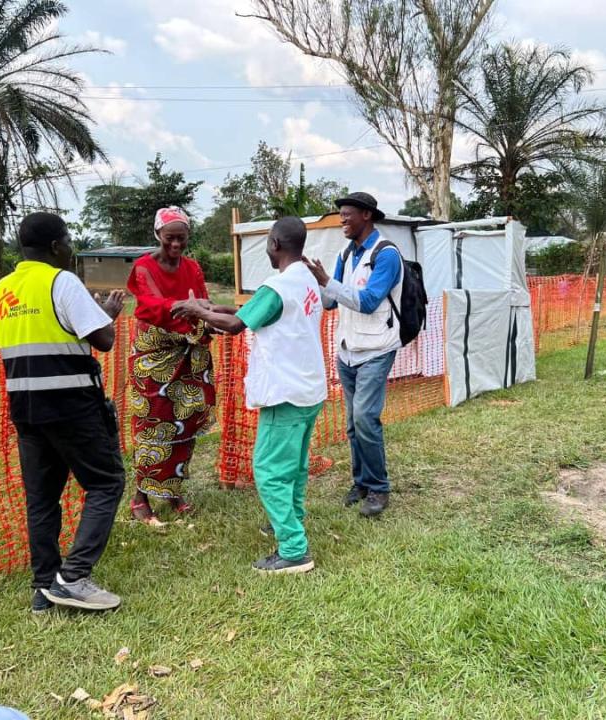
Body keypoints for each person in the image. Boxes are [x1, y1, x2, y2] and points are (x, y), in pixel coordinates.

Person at [0, 212, 126, 612]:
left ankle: (44, 586)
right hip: (72, 405)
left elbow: (1, 342)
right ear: (54, 246)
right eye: (67, 242)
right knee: (106, 483)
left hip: (25, 408)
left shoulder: (0, 290)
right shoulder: (61, 282)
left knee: (42, 498)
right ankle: (73, 576)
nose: (70, 249)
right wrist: (107, 313)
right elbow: (104, 340)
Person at [174, 217, 325, 574]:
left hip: (285, 393)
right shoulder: (306, 280)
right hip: (309, 388)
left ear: (274, 244)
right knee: (294, 466)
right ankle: (287, 521)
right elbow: (252, 312)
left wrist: (198, 311)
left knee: (269, 471)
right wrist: (213, 309)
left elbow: (236, 325)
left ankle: (294, 549)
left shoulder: (279, 285)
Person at [305, 192, 403, 518]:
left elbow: (370, 301)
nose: (342, 220)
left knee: (364, 418)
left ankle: (378, 488)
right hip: (347, 349)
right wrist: (314, 282)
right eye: (341, 215)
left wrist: (327, 281)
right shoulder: (345, 254)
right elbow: (331, 301)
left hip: (376, 348)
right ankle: (361, 482)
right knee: (352, 423)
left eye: (347, 215)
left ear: (367, 215)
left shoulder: (386, 254)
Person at [126, 207, 216, 525]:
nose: (176, 245)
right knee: (153, 428)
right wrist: (187, 307)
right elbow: (151, 305)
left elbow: (203, 301)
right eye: (169, 238)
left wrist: (206, 313)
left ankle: (173, 491)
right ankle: (141, 497)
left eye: (181, 238)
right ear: (157, 235)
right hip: (154, 360)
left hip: (188, 356)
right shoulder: (144, 267)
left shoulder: (192, 267)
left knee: (184, 424)